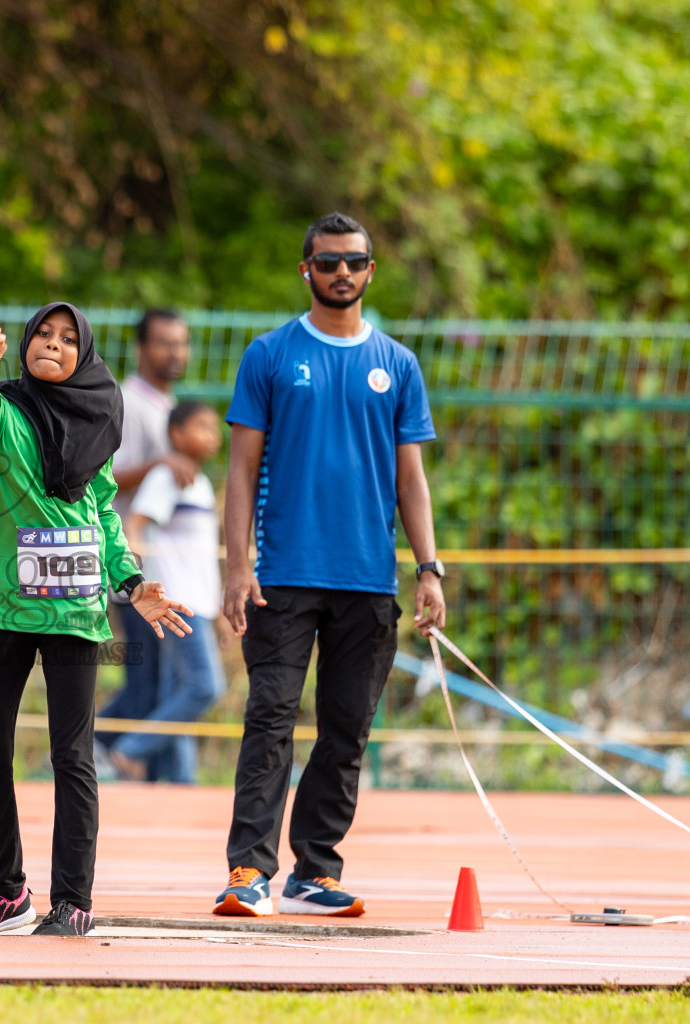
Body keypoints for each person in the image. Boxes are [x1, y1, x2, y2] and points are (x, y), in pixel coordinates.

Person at [213, 212, 445, 918]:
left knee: (346, 732)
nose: (340, 272)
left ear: (371, 270)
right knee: (271, 718)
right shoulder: (271, 355)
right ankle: (249, 869)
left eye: (353, 261)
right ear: (305, 270)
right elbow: (240, 468)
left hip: (369, 580)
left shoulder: (398, 365)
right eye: (327, 262)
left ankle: (314, 871)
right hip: (281, 576)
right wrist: (236, 563)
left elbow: (412, 479)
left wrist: (430, 568)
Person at [0, 302, 194, 937]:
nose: (51, 345)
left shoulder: (96, 426)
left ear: (83, 355)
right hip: (4, 609)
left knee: (72, 755)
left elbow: (105, 516)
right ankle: (7, 892)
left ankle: (74, 901)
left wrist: (132, 582)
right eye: (42, 335)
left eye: (66, 339)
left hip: (77, 612)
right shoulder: (1, 412)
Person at [108, 401, 226, 785]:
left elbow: (204, 556)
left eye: (215, 428)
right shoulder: (167, 476)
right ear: (176, 434)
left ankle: (178, 784)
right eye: (202, 426)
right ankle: (129, 749)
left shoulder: (200, 482)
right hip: (179, 601)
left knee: (177, 690)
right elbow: (135, 525)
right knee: (204, 686)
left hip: (201, 603)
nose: (213, 435)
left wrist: (220, 609)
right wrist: (136, 582)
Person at [96, 310, 192, 777]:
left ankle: (145, 772)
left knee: (158, 684)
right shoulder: (130, 403)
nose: (174, 352)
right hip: (128, 564)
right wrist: (160, 462)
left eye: (181, 343)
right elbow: (104, 476)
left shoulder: (166, 406)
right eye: (163, 343)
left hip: (162, 569)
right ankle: (91, 745)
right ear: (141, 349)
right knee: (146, 685)